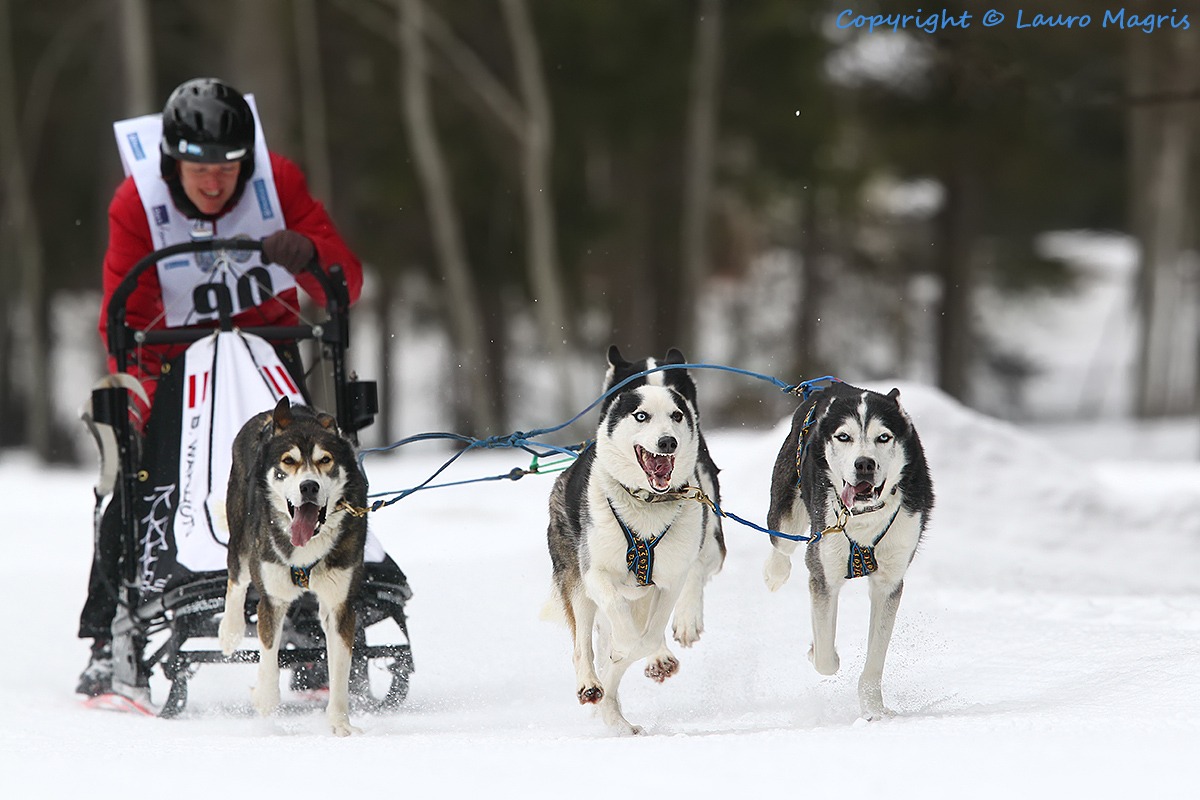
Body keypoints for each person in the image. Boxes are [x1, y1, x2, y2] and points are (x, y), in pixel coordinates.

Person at [77, 77, 364, 697]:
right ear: (170, 162)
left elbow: (345, 284)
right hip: (176, 365)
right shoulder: (136, 202)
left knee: (325, 463)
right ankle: (111, 635)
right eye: (198, 168)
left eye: (228, 169)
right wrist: (141, 408)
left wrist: (310, 254)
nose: (213, 183)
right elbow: (122, 315)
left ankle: (336, 606)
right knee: (134, 480)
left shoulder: (279, 182)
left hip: (271, 359)